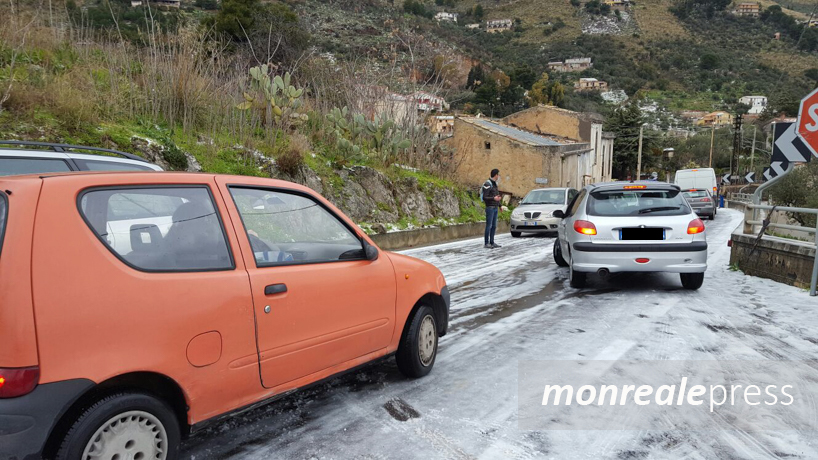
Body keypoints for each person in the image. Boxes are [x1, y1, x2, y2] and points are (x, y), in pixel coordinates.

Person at [482, 169, 502, 249]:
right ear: (496, 175)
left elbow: (496, 196)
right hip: (490, 208)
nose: (499, 176)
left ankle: (492, 242)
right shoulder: (488, 184)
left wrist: (500, 205)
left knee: (494, 226)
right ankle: (486, 243)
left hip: (495, 207)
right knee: (489, 226)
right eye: (498, 175)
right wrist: (494, 198)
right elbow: (484, 197)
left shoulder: (495, 184)